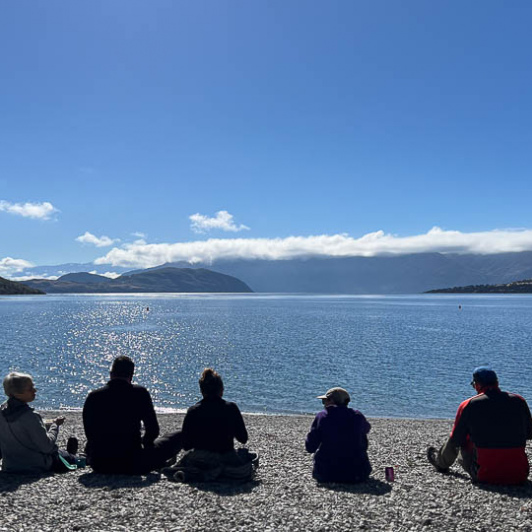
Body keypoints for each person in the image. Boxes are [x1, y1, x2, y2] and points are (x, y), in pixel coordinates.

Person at [427, 367, 532, 484]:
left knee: (462, 438)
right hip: (519, 474)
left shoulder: (469, 405)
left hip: (485, 474)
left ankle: (441, 463)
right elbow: (529, 433)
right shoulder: (519, 401)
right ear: (497, 383)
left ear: (477, 385)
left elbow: (456, 440)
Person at [82, 356, 182, 474]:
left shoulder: (94, 397)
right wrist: (145, 444)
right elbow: (153, 430)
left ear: (111, 374)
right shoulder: (140, 394)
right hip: (132, 463)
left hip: (100, 463)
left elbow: (90, 433)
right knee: (178, 435)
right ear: (131, 375)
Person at [166, 368, 256, 482]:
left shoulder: (194, 411)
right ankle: (221, 472)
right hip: (226, 456)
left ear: (202, 391)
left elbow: (186, 445)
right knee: (245, 456)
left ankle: (201, 473)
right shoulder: (231, 408)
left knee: (183, 465)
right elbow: (243, 439)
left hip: (200, 457)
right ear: (221, 390)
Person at [0, 372, 79, 474]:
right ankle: (74, 456)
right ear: (18, 394)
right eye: (30, 389)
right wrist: (55, 425)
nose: (35, 390)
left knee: (63, 454)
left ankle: (70, 454)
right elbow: (47, 446)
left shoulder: (2, 411)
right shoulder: (30, 416)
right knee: (66, 456)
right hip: (36, 464)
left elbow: (22, 431)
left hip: (10, 465)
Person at [305, 387, 372, 483]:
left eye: (324, 401)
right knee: (359, 437)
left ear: (330, 400)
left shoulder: (323, 416)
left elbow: (310, 447)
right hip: (358, 474)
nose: (324, 405)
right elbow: (367, 429)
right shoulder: (357, 416)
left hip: (327, 474)